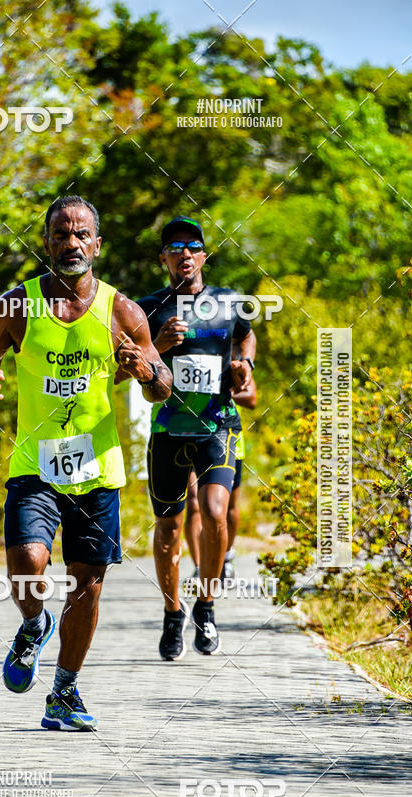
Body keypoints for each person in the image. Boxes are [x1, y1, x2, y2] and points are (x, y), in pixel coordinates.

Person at [0, 196, 171, 730]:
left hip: (97, 471)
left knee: (88, 582)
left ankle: (63, 692)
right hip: (34, 463)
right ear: (47, 243)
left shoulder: (124, 313)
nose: (72, 243)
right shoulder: (16, 308)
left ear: (97, 246)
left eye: (82, 235)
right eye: (61, 234)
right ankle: (35, 625)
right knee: (29, 563)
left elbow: (162, 388)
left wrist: (147, 374)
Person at [137, 215, 256, 661]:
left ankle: (206, 606)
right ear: (163, 258)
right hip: (168, 429)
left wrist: (246, 366)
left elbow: (247, 337)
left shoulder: (228, 302)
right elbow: (128, 363)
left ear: (204, 255)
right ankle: (173, 613)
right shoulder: (148, 308)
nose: (184, 254)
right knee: (168, 527)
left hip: (218, 425)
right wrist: (159, 347)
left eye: (193, 246)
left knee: (214, 512)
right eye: (175, 247)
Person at [183, 374, 257, 594]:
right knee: (194, 502)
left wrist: (220, 390)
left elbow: (251, 398)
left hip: (228, 439)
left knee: (229, 508)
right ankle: (199, 567)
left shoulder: (234, 357)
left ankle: (226, 555)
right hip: (189, 435)